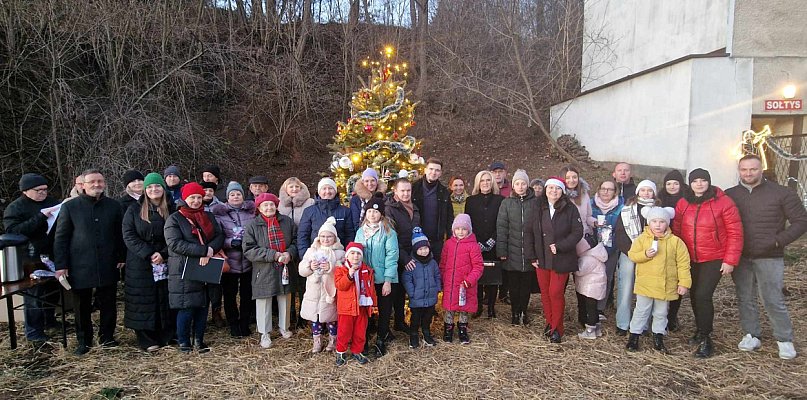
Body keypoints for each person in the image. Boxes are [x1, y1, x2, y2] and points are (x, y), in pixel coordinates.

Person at [726, 155, 807, 360]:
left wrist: (779, 241)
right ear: (739, 170)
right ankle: (752, 334)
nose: (748, 173)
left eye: (753, 169)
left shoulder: (781, 193)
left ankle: (784, 339)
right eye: (744, 169)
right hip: (742, 255)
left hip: (770, 255)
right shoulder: (731, 194)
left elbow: (800, 221)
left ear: (761, 168)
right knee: (745, 297)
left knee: (772, 298)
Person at [54, 169, 126, 355]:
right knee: (81, 306)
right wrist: (61, 265)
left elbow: (120, 234)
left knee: (109, 303)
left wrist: (121, 256)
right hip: (80, 264)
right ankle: (83, 341)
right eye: (92, 182)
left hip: (108, 262)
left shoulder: (114, 206)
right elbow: (61, 238)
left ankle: (107, 337)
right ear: (83, 185)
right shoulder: (70, 207)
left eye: (100, 181)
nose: (97, 185)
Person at [673, 168, 743, 358]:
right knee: (695, 295)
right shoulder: (683, 202)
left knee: (703, 295)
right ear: (691, 183)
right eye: (695, 181)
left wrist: (730, 260)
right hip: (690, 258)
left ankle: (706, 337)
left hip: (714, 257)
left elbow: (735, 232)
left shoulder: (723, 202)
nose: (699, 184)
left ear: (709, 182)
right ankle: (700, 329)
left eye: (703, 180)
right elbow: (677, 231)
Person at [164, 182, 225, 354]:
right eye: (192, 197)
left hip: (207, 265)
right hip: (184, 268)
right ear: (185, 198)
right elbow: (175, 243)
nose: (196, 201)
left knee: (202, 306)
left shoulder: (208, 216)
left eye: (199, 197)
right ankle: (184, 341)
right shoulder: (175, 219)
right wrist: (204, 251)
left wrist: (211, 250)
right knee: (186, 306)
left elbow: (219, 235)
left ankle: (199, 339)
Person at [2, 173, 61, 344]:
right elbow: (13, 232)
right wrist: (41, 217)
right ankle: (34, 331)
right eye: (39, 190)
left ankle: (49, 320)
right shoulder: (15, 208)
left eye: (45, 189)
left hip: (52, 251)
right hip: (29, 256)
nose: (43, 193)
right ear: (26, 191)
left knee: (53, 290)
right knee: (34, 295)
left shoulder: (52, 202)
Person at [524, 177, 583, 344]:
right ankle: (549, 323)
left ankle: (557, 328)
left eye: (557, 189)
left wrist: (561, 245)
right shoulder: (537, 206)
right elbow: (528, 231)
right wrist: (531, 256)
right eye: (550, 188)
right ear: (545, 189)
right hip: (541, 257)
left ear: (562, 191)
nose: (553, 191)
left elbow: (577, 232)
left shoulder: (570, 208)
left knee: (555, 293)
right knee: (545, 293)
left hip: (561, 258)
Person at [625, 206, 691, 354]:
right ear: (649, 222)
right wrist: (645, 254)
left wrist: (684, 283)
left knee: (661, 312)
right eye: (654, 221)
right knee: (641, 310)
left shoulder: (675, 242)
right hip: (646, 284)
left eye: (662, 221)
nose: (658, 224)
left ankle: (658, 338)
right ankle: (634, 336)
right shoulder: (642, 239)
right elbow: (632, 255)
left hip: (666, 285)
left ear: (667, 223)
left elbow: (683, 263)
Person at [121, 172, 175, 352]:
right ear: (145, 190)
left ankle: (167, 334)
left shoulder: (172, 208)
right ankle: (146, 339)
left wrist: (164, 253)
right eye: (150, 187)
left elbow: (178, 234)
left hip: (166, 260)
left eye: (157, 186)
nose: (154, 189)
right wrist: (149, 253)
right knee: (143, 299)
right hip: (141, 262)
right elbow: (128, 235)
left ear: (163, 188)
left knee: (165, 297)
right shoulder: (134, 210)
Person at [243, 192, 297, 349]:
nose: (269, 207)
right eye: (265, 205)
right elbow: (249, 249)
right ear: (259, 208)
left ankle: (284, 327)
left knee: (285, 297)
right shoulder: (253, 225)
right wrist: (272, 255)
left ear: (276, 205)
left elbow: (295, 240)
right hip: (264, 268)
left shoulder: (287, 222)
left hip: (285, 266)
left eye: (271, 204)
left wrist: (290, 253)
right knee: (264, 300)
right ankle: (265, 333)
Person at [354, 193, 399, 354]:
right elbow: (356, 254)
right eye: (370, 212)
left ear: (381, 214)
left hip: (382, 279)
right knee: (366, 310)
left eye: (376, 212)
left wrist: (388, 280)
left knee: (384, 309)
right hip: (366, 279)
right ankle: (364, 339)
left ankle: (381, 338)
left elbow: (392, 257)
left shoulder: (388, 233)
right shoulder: (360, 232)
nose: (372, 215)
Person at [613, 179, 659, 335]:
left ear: (654, 193)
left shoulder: (658, 211)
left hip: (651, 255)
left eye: (649, 190)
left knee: (646, 290)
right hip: (629, 253)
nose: (646, 193)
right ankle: (623, 323)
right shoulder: (627, 210)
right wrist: (632, 252)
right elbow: (620, 232)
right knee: (625, 288)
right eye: (643, 190)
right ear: (638, 192)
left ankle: (643, 324)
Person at [211, 181, 256, 338]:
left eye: (238, 194)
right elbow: (216, 237)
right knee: (229, 295)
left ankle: (244, 323)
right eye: (232, 194)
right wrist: (230, 243)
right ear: (227, 197)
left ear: (243, 196)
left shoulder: (251, 213)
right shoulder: (219, 215)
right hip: (229, 261)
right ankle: (233, 324)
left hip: (248, 261)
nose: (235, 197)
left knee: (247, 294)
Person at [496, 169, 538, 325]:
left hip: (529, 252)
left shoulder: (535, 203)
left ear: (528, 185)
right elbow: (501, 227)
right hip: (511, 252)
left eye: (523, 183)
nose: (520, 186)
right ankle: (514, 312)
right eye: (517, 184)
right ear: (513, 186)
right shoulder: (506, 203)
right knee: (513, 286)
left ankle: (523, 311)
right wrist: (502, 251)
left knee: (526, 285)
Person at [298, 217, 343, 353]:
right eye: (323, 236)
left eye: (329, 237)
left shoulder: (339, 253)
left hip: (330, 291)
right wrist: (310, 266)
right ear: (318, 238)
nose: (326, 239)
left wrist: (331, 266)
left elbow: (343, 270)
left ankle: (332, 340)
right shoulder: (311, 251)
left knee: (331, 318)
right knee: (315, 318)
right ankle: (317, 341)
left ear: (334, 238)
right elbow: (301, 270)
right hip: (314, 290)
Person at [464, 170, 504, 319]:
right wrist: (477, 242)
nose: (485, 183)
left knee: (493, 277)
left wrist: (492, 240)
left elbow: (501, 223)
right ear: (478, 183)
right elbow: (469, 224)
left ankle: (491, 308)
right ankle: (478, 306)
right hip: (477, 244)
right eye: (482, 181)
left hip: (494, 243)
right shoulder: (471, 201)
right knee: (478, 277)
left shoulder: (500, 200)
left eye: (488, 180)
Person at [439, 214, 484, 344]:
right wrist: (443, 278)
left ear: (469, 230)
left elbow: (478, 266)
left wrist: (469, 280)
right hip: (450, 283)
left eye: (463, 229)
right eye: (457, 229)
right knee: (449, 307)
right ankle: (448, 330)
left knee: (464, 308)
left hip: (464, 284)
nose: (460, 232)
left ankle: (462, 330)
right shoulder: (448, 244)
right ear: (453, 230)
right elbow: (443, 263)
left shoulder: (473, 246)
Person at [278, 177, 315, 328]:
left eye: (297, 187)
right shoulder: (280, 205)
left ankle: (303, 315)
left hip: (305, 246)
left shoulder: (310, 203)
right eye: (291, 187)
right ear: (285, 189)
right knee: (289, 282)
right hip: (287, 248)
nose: (294, 189)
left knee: (303, 283)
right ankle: (290, 312)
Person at [386, 178, 420, 334]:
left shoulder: (415, 208)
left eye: (408, 190)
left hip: (413, 254)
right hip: (398, 255)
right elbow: (392, 238)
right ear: (395, 192)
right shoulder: (390, 209)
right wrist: (405, 259)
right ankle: (394, 322)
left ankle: (403, 321)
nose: (406, 193)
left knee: (405, 290)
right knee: (396, 291)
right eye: (402, 191)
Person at [334, 242, 377, 366]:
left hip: (361, 306)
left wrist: (373, 303)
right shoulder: (341, 270)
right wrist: (349, 274)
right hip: (346, 308)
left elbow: (371, 288)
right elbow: (340, 285)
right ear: (347, 256)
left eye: (358, 253)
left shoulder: (367, 270)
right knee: (344, 331)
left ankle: (357, 351)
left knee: (360, 331)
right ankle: (341, 351)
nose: (355, 256)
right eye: (352, 253)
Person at [656, 169, 688, 331]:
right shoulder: (660, 199)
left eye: (676, 183)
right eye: (669, 183)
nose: (672, 186)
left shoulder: (687, 198)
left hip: (681, 243)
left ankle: (672, 316)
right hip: (662, 243)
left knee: (677, 281)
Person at [590, 180, 624, 319]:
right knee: (592, 277)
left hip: (611, 248)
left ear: (615, 192)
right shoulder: (591, 204)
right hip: (592, 247)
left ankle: (600, 308)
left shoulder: (621, 207)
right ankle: (589, 306)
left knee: (606, 277)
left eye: (610, 189)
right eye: (603, 188)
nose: (606, 192)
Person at [403, 227, 441, 348]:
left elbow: (437, 275)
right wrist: (412, 293)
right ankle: (413, 335)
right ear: (415, 250)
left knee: (427, 317)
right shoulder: (412, 264)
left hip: (430, 296)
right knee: (415, 318)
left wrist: (437, 288)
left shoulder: (433, 262)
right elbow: (407, 278)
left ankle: (426, 333)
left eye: (426, 248)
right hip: (416, 298)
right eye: (420, 249)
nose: (424, 251)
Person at [298, 177, 355, 257]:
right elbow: (302, 236)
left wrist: (347, 256)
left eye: (330, 188)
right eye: (324, 188)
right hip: (315, 258)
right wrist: (306, 257)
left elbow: (350, 235)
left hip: (339, 257)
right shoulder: (309, 211)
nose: (327, 192)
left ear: (335, 191)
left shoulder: (345, 211)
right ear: (319, 192)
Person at [412, 158, 453, 262]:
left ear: (440, 173)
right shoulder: (414, 188)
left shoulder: (444, 192)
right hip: (417, 239)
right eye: (431, 169)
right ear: (425, 170)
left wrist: (449, 238)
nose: (433, 172)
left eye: (437, 170)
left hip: (437, 241)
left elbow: (449, 216)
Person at [199, 180, 224, 327]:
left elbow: (218, 233)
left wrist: (212, 249)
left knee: (215, 285)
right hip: (196, 253)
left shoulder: (217, 209)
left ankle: (216, 312)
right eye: (204, 191)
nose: (207, 193)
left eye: (210, 191)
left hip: (214, 251)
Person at [574, 240, 608, 340]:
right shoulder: (596, 256)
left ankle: (590, 330)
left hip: (590, 288)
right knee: (594, 308)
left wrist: (572, 267)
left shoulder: (588, 259)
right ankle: (597, 329)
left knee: (590, 309)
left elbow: (579, 271)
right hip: (596, 288)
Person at [561, 166, 596, 235]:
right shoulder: (559, 196)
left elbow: (588, 217)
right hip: (566, 237)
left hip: (584, 233)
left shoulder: (584, 194)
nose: (572, 180)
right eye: (567, 178)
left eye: (574, 177)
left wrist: (595, 222)